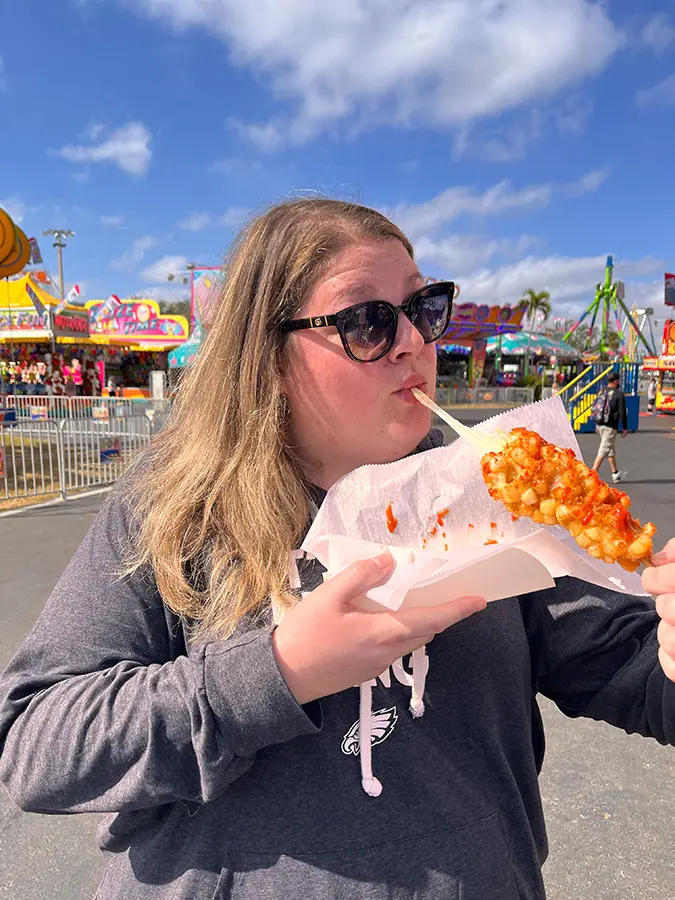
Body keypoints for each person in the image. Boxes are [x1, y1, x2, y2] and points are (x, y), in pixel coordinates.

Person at [0, 199, 674, 900]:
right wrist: (276, 671)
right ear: (266, 356)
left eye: (422, 307)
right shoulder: (173, 505)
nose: (413, 340)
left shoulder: (496, 495)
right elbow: (38, 744)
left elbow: (634, 676)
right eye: (367, 321)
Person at [591, 371, 629, 484]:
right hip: (610, 425)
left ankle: (615, 473)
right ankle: (592, 473)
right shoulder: (618, 394)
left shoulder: (601, 391)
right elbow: (622, 412)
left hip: (599, 424)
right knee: (604, 449)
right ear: (616, 381)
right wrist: (625, 427)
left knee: (609, 449)